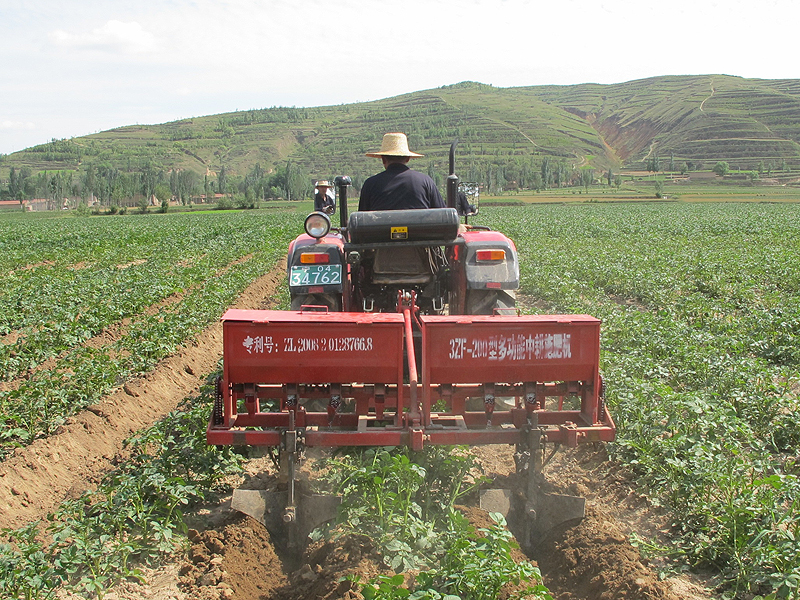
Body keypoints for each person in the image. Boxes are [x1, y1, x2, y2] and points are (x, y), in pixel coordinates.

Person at [358, 133, 445, 211]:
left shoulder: (370, 184)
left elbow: (361, 222)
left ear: (383, 159)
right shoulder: (425, 181)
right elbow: (443, 217)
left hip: (382, 230)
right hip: (418, 229)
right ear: (408, 158)